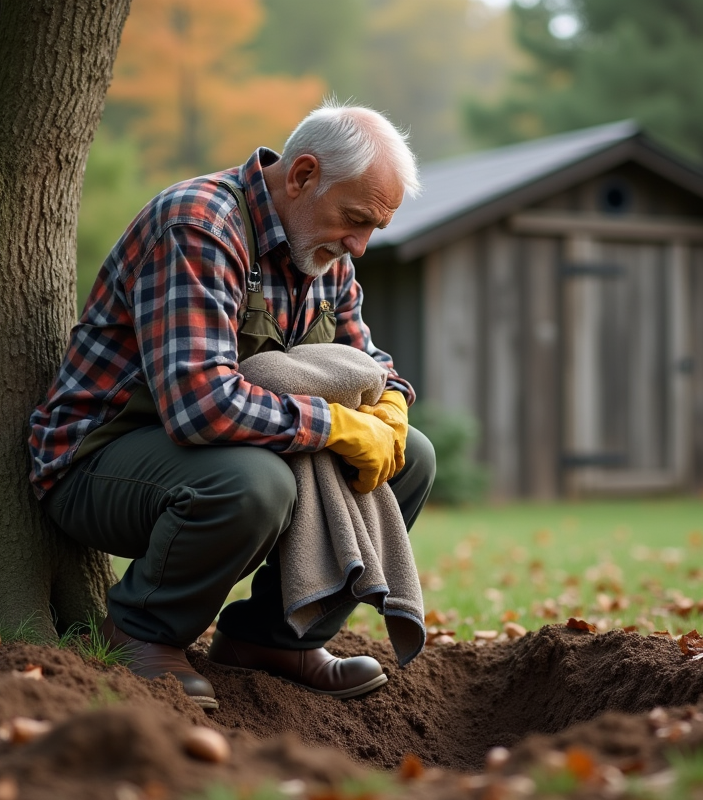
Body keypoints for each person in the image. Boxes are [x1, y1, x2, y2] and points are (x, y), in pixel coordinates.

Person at [27, 101, 436, 710]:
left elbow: (373, 365)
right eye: (355, 219)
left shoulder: (325, 253)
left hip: (206, 455)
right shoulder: (199, 226)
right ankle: (139, 631)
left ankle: (277, 639)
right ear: (301, 176)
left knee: (412, 457)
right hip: (97, 461)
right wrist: (340, 425)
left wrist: (392, 413)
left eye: (373, 228)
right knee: (256, 483)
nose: (361, 245)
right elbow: (201, 407)